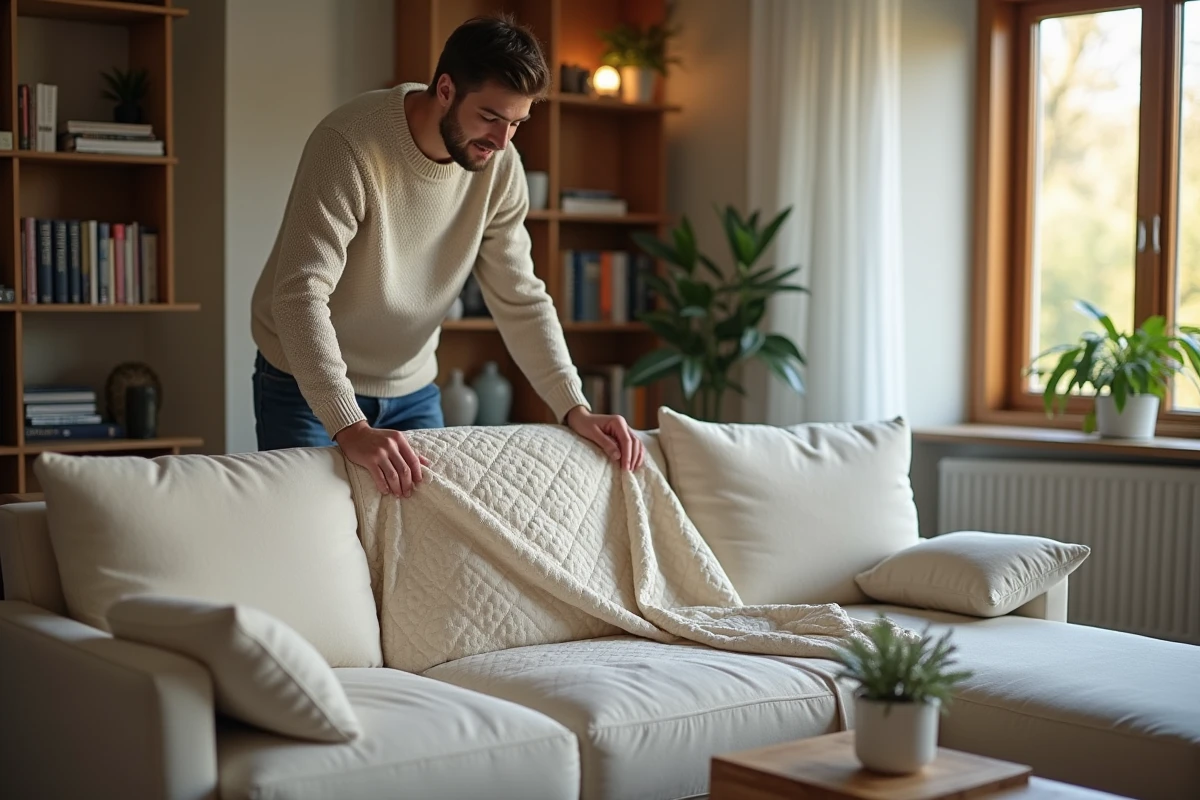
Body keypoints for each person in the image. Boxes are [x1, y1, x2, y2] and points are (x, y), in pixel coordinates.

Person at [250, 13, 644, 498]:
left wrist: (574, 406)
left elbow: (520, 296)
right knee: (309, 542)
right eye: (490, 117)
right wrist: (348, 424)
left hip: (411, 388)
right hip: (304, 386)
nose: (501, 142)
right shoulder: (349, 145)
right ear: (445, 89)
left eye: (517, 124)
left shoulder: (501, 168)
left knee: (425, 553)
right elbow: (299, 295)